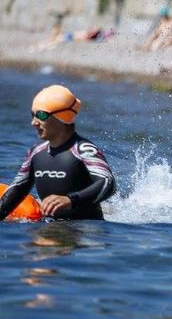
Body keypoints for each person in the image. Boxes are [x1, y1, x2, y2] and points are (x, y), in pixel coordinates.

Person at [0, 85, 115, 221]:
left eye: (41, 115)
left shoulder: (83, 150)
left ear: (62, 117)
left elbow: (108, 183)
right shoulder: (35, 153)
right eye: (33, 115)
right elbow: (17, 189)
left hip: (85, 233)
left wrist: (71, 200)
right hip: (48, 230)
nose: (34, 122)